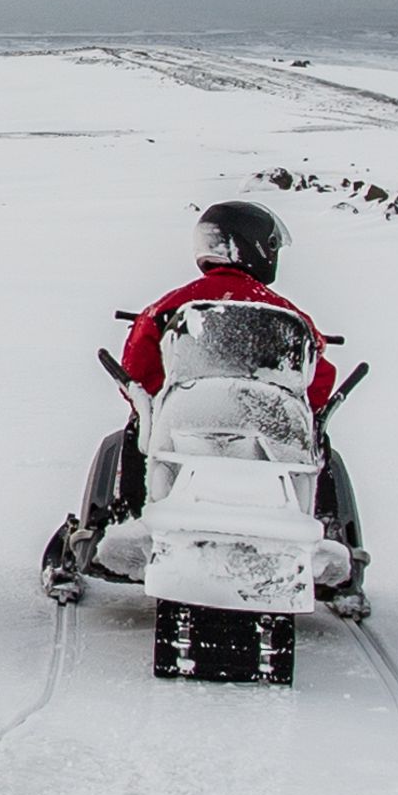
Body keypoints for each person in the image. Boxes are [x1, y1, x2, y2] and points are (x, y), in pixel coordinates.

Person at [45, 200, 364, 609]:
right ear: (255, 248)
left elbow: (139, 370)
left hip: (185, 434)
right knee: (322, 448)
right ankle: (326, 527)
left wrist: (160, 399)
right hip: (268, 447)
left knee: (133, 432)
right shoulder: (284, 312)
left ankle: (124, 517)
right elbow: (316, 385)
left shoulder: (175, 305)